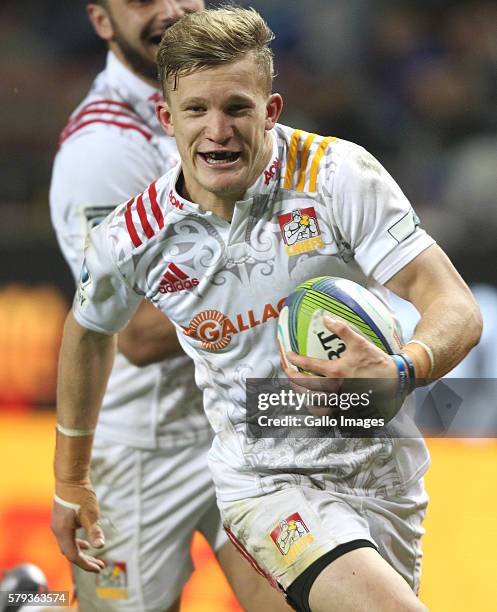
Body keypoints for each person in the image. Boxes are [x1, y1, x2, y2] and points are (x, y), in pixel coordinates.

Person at [50, 6, 482, 612]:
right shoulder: (133, 237)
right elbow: (89, 330)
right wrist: (71, 480)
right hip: (265, 481)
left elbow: (453, 303)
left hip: (384, 470)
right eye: (196, 110)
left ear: (271, 111)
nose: (217, 131)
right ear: (166, 116)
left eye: (237, 108)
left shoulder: (337, 175)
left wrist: (403, 369)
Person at [49, 2, 289, 611]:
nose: (168, 9)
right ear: (101, 21)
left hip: (246, 421)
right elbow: (131, 332)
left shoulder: (228, 94)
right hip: (148, 445)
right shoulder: (102, 149)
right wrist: (294, 288)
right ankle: (29, 602)